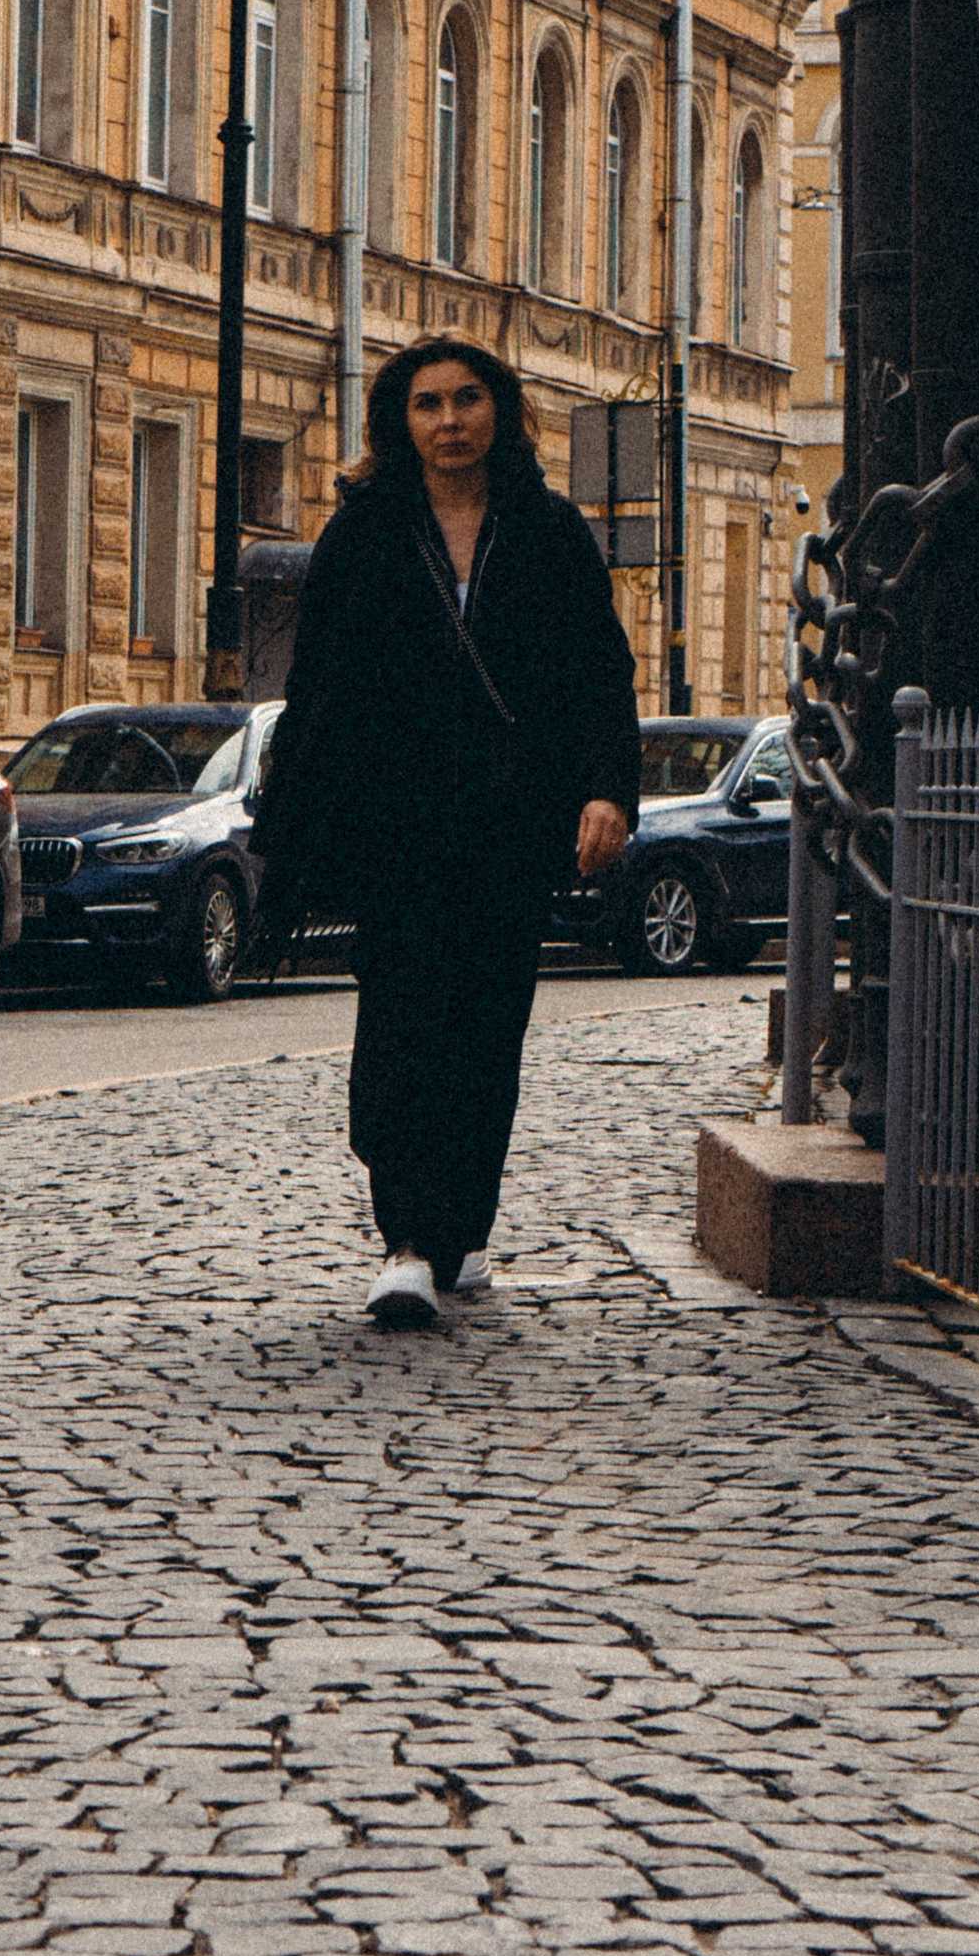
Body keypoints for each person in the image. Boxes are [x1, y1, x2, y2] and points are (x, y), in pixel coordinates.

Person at [252, 334, 640, 1329]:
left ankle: (461, 1225)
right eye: (428, 405)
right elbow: (317, 679)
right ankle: (407, 1244)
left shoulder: (548, 529)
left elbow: (599, 668)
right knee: (400, 1022)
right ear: (402, 422)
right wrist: (301, 807)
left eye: (467, 400)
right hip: (398, 822)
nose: (450, 421)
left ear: (499, 412)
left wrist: (607, 791)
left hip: (512, 824)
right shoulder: (367, 531)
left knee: (486, 1027)